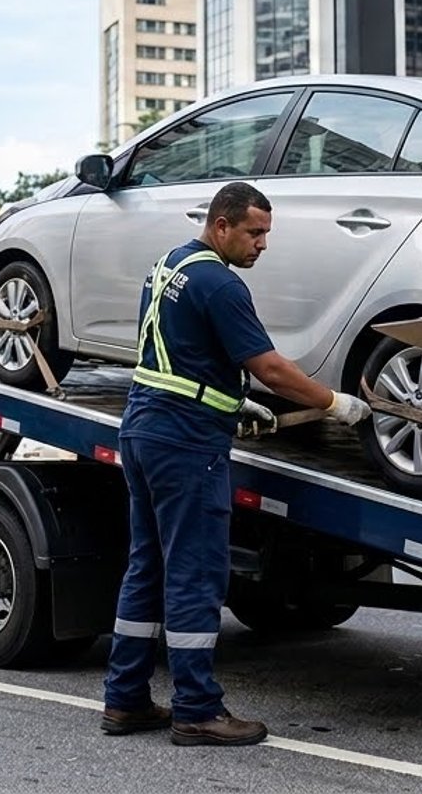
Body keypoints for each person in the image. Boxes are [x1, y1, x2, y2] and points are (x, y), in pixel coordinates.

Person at [100, 181, 372, 748]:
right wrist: (332, 402)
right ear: (221, 226)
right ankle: (196, 709)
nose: (263, 245)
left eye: (267, 232)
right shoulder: (220, 283)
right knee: (195, 572)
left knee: (146, 567)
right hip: (185, 442)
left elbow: (182, 350)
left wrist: (228, 395)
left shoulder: (171, 264)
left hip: (146, 427)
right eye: (255, 232)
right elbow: (271, 368)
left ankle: (124, 700)